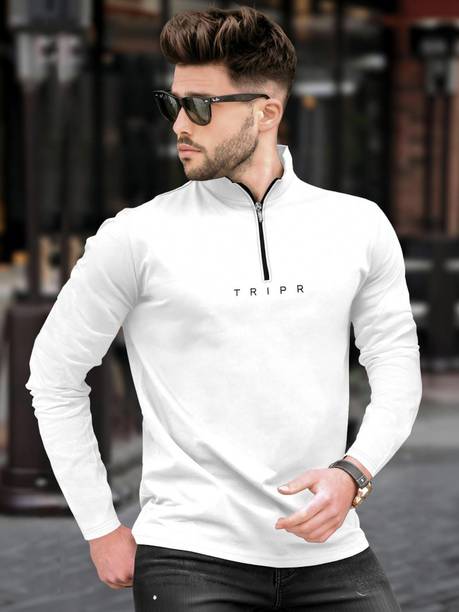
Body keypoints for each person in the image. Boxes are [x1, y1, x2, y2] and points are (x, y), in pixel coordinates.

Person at [25, 5, 422, 611]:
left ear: (267, 112)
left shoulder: (357, 225)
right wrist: (100, 526)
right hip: (190, 557)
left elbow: (396, 364)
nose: (180, 125)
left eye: (201, 106)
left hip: (333, 554)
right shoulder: (136, 236)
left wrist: (354, 472)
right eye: (173, 104)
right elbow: (53, 376)